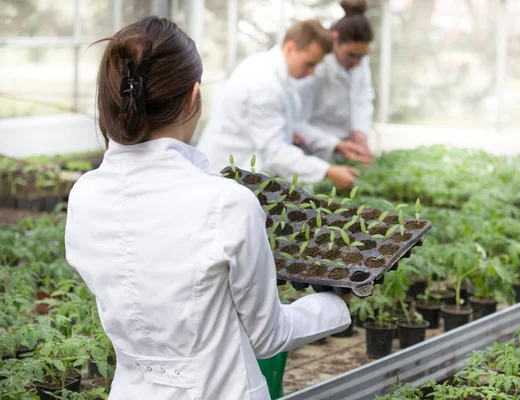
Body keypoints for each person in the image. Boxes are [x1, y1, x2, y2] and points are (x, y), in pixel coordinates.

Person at [65, 17, 350, 400]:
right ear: (193, 96)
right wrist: (335, 300)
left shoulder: (84, 196)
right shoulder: (228, 204)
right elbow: (269, 336)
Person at [196, 19, 364, 190]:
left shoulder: (281, 76)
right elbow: (274, 151)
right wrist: (328, 171)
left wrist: (336, 145)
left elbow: (294, 124)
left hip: (243, 176)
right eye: (309, 64)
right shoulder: (263, 82)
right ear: (290, 48)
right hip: (225, 174)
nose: (312, 72)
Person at [297, 0, 375, 164]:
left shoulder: (359, 62)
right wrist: (335, 144)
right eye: (351, 55)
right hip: (311, 150)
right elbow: (297, 121)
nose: (358, 63)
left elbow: (363, 98)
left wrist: (359, 133)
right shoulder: (316, 66)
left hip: (346, 147)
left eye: (363, 56)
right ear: (335, 40)